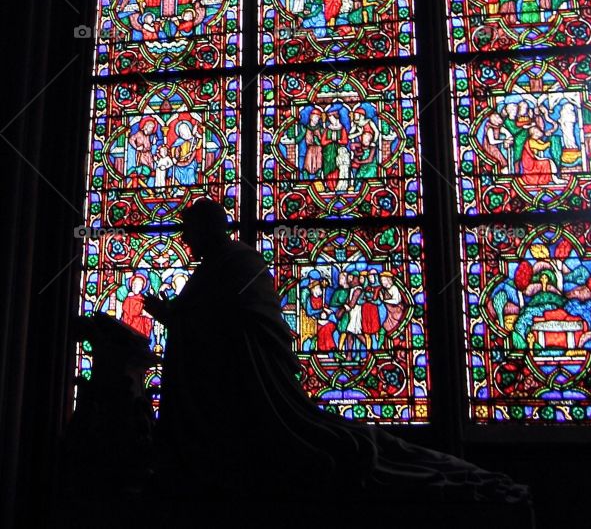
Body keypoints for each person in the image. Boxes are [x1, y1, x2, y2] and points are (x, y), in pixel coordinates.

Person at [143, 199, 528, 503]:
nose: (185, 239)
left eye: (189, 231)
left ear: (208, 228)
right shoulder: (216, 265)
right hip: (224, 403)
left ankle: (437, 469)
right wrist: (175, 317)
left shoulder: (237, 261)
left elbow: (242, 324)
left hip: (256, 396)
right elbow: (211, 322)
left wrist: (179, 318)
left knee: (336, 448)